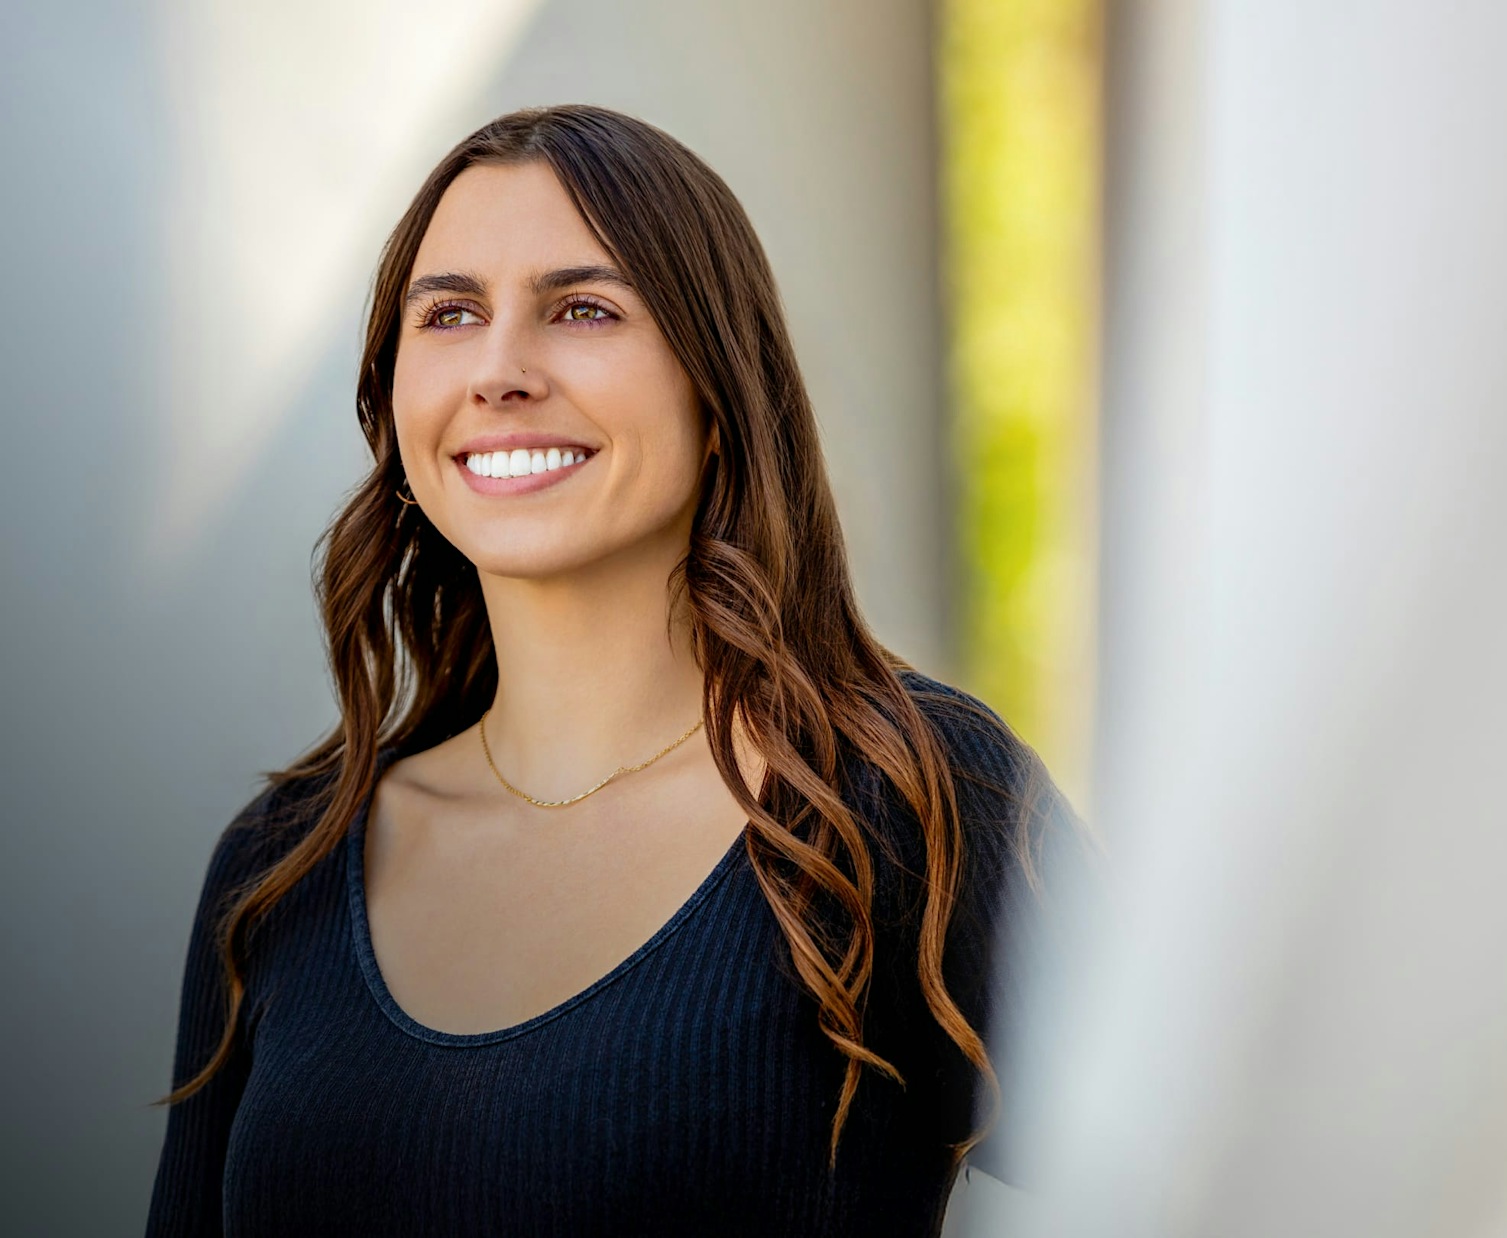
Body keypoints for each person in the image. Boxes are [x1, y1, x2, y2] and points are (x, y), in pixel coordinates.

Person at [143, 104, 1079, 1237]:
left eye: (583, 308)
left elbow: (1224, 1168)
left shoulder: (909, 797)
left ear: (718, 389)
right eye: (449, 313)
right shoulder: (281, 861)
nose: (498, 371)